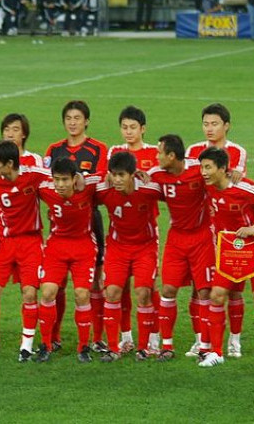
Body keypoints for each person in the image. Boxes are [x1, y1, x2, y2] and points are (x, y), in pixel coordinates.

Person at [197, 147, 254, 369]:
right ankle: (216, 352)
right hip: (229, 248)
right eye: (202, 167)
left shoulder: (244, 187)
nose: (203, 172)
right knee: (217, 295)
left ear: (222, 169)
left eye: (208, 167)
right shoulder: (209, 188)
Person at [0, 141, 50, 363]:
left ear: (10, 164)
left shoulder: (33, 175)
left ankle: (26, 347)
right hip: (4, 243)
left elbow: (58, 177)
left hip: (31, 243)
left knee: (30, 294)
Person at [45, 101, 108, 353]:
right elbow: (45, 176)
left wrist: (83, 178)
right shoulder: (54, 149)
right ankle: (55, 335)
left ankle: (97, 337)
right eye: (68, 118)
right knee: (56, 285)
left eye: (77, 118)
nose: (72, 122)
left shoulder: (97, 148)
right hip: (60, 223)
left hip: (90, 220)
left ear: (86, 122)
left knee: (95, 284)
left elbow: (103, 176)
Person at [185, 103, 248, 357]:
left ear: (226, 126)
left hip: (230, 230)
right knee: (199, 286)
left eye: (214, 124)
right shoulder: (193, 150)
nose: (209, 129)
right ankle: (201, 339)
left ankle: (235, 339)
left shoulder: (237, 151)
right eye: (206, 124)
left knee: (233, 287)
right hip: (201, 229)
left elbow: (233, 181)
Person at [148, 135, 214, 361]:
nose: (156, 158)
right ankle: (167, 346)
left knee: (204, 291)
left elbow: (219, 176)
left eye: (159, 153)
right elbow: (144, 184)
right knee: (168, 290)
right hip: (176, 239)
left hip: (202, 237)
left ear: (172, 156)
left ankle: (205, 346)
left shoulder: (198, 170)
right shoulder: (157, 175)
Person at [96, 152, 163, 361]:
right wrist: (89, 177)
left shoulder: (150, 189)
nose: (116, 180)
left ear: (133, 174)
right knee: (113, 292)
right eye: (113, 175)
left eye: (121, 175)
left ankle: (146, 346)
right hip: (117, 247)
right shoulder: (103, 190)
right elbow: (81, 182)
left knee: (144, 292)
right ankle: (114, 347)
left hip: (145, 247)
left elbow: (174, 188)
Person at [107, 106, 161, 355]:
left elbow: (163, 178)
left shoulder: (152, 152)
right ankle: (125, 337)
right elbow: (103, 178)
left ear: (143, 129)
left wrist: (146, 177)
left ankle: (152, 337)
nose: (128, 132)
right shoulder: (114, 152)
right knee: (119, 289)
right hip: (119, 233)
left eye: (133, 127)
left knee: (145, 288)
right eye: (124, 127)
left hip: (146, 230)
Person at [36, 158, 100, 363]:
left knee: (82, 295)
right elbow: (28, 177)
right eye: (57, 179)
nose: (61, 185)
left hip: (83, 247)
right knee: (47, 292)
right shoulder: (45, 188)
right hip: (57, 246)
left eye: (65, 180)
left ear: (74, 179)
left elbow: (108, 176)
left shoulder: (88, 187)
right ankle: (46, 344)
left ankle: (83, 347)